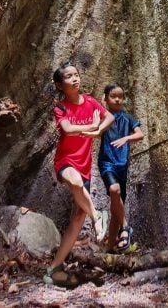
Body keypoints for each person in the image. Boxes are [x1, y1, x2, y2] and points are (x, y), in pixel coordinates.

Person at [45, 61, 114, 286]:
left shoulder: (92, 102)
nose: (75, 79)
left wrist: (98, 131)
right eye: (68, 77)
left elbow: (110, 117)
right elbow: (66, 129)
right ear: (59, 84)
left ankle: (54, 269)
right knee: (73, 181)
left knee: (76, 218)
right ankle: (97, 216)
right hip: (65, 161)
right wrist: (89, 128)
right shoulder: (60, 107)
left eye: (76, 75)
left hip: (84, 165)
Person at [99, 82, 143, 252]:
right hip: (106, 162)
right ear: (106, 99)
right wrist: (102, 107)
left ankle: (110, 249)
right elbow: (97, 127)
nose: (117, 100)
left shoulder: (128, 118)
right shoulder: (104, 116)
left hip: (122, 165)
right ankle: (126, 227)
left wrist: (126, 139)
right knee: (114, 190)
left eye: (120, 97)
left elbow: (140, 134)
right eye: (113, 96)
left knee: (116, 207)